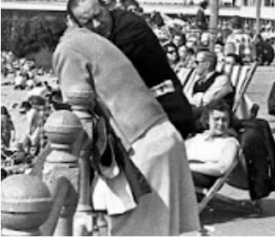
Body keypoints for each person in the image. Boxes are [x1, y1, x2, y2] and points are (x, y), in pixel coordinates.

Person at [11, 15, 201, 236]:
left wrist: (79, 200)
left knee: (133, 229)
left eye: (34, 59)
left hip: (141, 145)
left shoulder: (66, 51)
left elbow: (80, 122)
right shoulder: (83, 38)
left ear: (42, 44)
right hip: (161, 135)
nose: (38, 67)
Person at [67, 0, 195, 138]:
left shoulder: (131, 26)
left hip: (167, 112)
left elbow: (107, 70)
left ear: (108, 6)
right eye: (87, 22)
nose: (96, 25)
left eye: (98, 15)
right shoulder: (95, 37)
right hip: (134, 117)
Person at [184, 99, 240, 189]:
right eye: (216, 119)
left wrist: (188, 167)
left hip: (204, 175)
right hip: (186, 169)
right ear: (208, 120)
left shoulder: (229, 142)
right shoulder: (197, 138)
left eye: (224, 120)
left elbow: (222, 168)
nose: (220, 123)